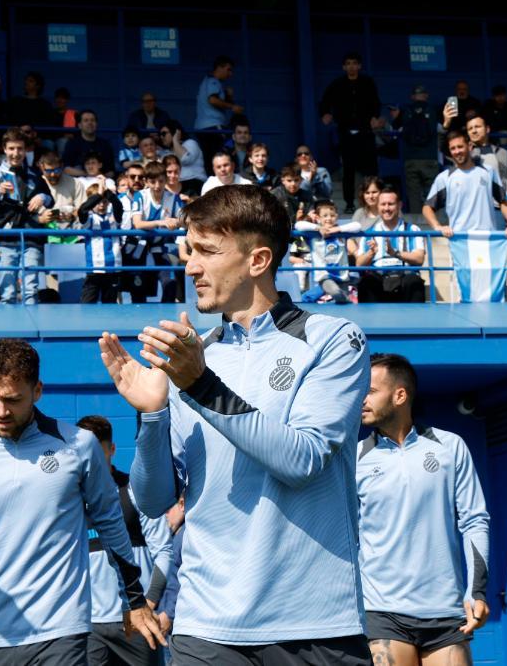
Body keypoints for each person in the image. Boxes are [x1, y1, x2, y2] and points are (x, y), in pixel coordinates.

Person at [99, 184, 373, 665]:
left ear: (258, 260)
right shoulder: (196, 356)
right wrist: (153, 414)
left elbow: (302, 460)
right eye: (189, 250)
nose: (190, 266)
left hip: (312, 626)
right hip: (205, 628)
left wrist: (201, 386)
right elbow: (154, 498)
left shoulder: (333, 339)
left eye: (206, 251)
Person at [0, 339, 165, 666]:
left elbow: (110, 523)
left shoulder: (79, 445)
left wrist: (133, 599)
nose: (1, 411)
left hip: (62, 630)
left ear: (37, 391)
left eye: (12, 400)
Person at [357, 354, 490, 666]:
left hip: (445, 614)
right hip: (381, 611)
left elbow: (474, 520)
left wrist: (477, 592)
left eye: (371, 391)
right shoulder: (356, 457)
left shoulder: (450, 446)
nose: (361, 399)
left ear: (400, 395)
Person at [77, 415, 175, 666]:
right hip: (90, 627)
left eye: (98, 453)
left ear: (111, 449)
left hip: (136, 620)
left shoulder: (133, 491)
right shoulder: (70, 501)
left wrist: (147, 602)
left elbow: (164, 551)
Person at [0, 130, 56, 305]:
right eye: (11, 148)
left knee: (30, 292)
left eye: (20, 149)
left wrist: (42, 197)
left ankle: (28, 333)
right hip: (6, 240)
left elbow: (51, 200)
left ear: (25, 150)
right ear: (4, 149)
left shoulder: (35, 175)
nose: (16, 153)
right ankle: (8, 333)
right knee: (7, 294)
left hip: (31, 238)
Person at [424, 130, 507, 237]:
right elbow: (427, 208)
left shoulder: (488, 171)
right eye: (453, 148)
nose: (457, 151)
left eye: (460, 147)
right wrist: (438, 226)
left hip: (487, 238)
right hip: (459, 240)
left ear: (469, 146)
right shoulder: (444, 177)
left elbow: (503, 202)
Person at [319, 52, 381, 213]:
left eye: (355, 63)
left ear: (359, 66)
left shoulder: (367, 82)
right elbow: (324, 101)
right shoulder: (337, 84)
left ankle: (374, 202)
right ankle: (349, 203)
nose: (352, 66)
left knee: (370, 169)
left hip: (365, 131)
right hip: (346, 131)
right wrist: (325, 113)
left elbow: (376, 102)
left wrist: (375, 117)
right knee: (348, 169)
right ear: (344, 67)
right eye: (348, 63)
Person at [124, 162, 184, 304]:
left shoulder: (173, 197)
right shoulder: (140, 196)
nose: (157, 186)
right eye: (152, 181)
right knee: (138, 288)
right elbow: (137, 223)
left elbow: (183, 220)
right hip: (137, 248)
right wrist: (162, 222)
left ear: (166, 180)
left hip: (159, 247)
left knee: (170, 283)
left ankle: (164, 319)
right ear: (146, 182)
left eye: (161, 181)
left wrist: (177, 222)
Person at [355, 188, 428, 303]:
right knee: (367, 282)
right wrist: (371, 253)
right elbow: (359, 264)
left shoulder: (413, 229)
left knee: (414, 281)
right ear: (378, 207)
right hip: (379, 277)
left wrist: (395, 253)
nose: (386, 208)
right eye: (383, 204)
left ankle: (415, 319)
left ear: (399, 205)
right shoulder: (369, 232)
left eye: (391, 204)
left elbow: (419, 259)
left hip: (405, 276)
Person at [296, 200, 361, 303]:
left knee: (344, 305)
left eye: (332, 215)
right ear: (318, 218)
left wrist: (337, 229)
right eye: (325, 216)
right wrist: (318, 228)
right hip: (324, 276)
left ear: (337, 216)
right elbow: (298, 225)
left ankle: (308, 298)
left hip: (342, 277)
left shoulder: (341, 234)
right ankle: (307, 297)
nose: (329, 218)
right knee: (337, 294)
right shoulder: (313, 235)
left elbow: (358, 226)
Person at [77, 185, 126, 304]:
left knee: (110, 305)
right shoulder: (89, 219)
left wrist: (107, 193)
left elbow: (118, 206)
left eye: (104, 201)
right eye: (97, 202)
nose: (101, 205)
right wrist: (98, 195)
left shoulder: (114, 217)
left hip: (113, 267)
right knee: (87, 304)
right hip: (94, 268)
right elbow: (82, 210)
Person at [194, 56, 243, 163]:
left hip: (203, 128)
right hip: (213, 126)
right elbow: (213, 100)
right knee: (228, 149)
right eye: (228, 69)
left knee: (211, 157)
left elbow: (220, 101)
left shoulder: (208, 81)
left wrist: (228, 97)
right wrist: (232, 107)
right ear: (219, 67)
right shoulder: (213, 81)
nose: (230, 74)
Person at [63, 110, 117, 177]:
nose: (90, 123)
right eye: (86, 120)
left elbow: (111, 172)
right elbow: (66, 169)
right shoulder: (72, 144)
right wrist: (89, 175)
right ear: (79, 125)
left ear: (96, 124)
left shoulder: (105, 144)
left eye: (92, 120)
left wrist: (100, 178)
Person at [158, 121, 206, 196]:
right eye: (160, 134)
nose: (161, 137)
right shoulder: (167, 153)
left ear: (175, 133)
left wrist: (175, 140)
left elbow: (185, 159)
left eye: (164, 134)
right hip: (178, 186)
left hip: (195, 185)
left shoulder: (190, 143)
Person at [466, 114, 507, 185]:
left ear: (487, 129)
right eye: (470, 129)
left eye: (477, 127)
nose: (474, 131)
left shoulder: (503, 153)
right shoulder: (464, 155)